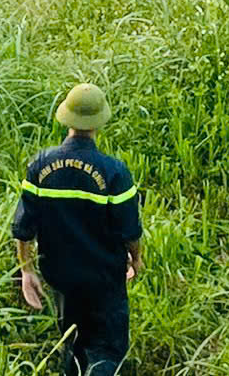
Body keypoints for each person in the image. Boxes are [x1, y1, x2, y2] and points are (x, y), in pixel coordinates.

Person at [13, 83, 142, 376]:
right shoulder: (114, 171)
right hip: (103, 277)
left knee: (72, 341)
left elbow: (22, 228)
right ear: (99, 122)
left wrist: (27, 271)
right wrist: (137, 260)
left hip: (60, 276)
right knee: (106, 348)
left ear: (67, 118)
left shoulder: (40, 166)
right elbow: (129, 230)